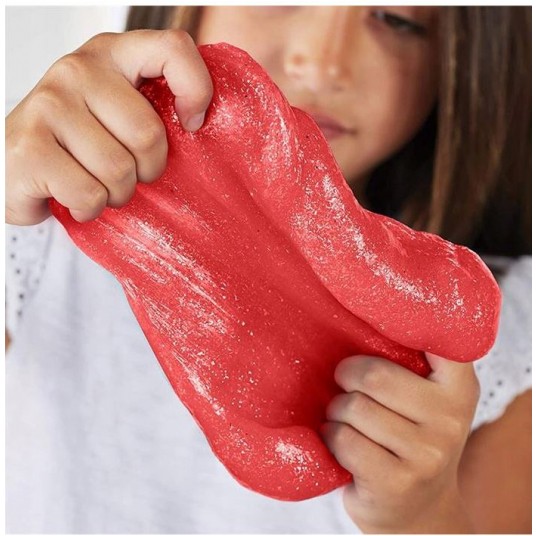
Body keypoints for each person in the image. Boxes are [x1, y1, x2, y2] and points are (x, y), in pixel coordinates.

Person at [5, 5, 531, 533]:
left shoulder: (510, 336)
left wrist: (424, 515)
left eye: (398, 20)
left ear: (461, 64)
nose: (322, 63)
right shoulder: (31, 228)